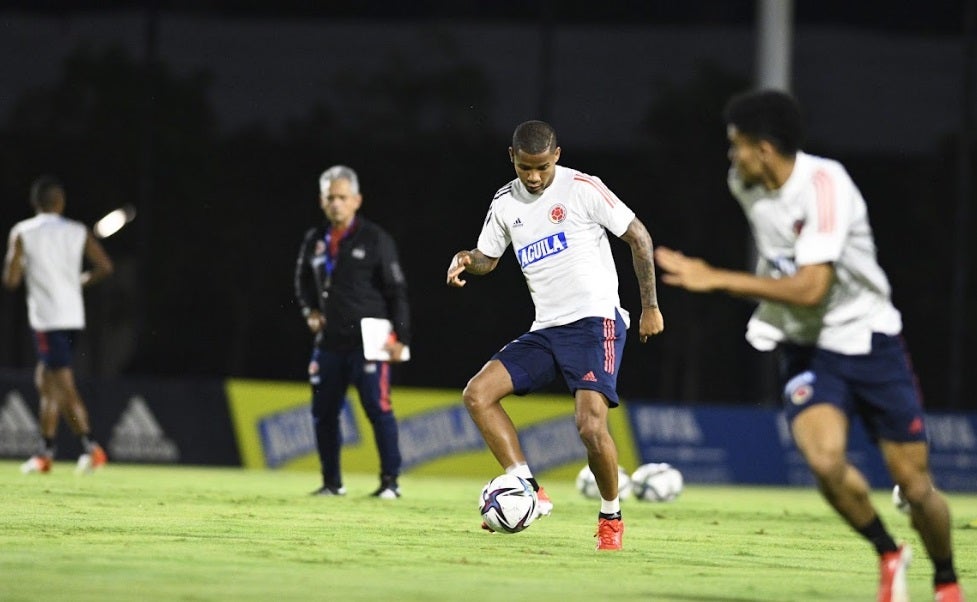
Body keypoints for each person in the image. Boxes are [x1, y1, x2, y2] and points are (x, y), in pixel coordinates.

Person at [654, 89, 963, 602]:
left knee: (914, 484)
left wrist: (717, 279)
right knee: (823, 461)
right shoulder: (744, 184)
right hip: (808, 346)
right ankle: (889, 552)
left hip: (869, 339)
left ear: (765, 148)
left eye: (737, 145)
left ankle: (947, 579)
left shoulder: (825, 185)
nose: (732, 158)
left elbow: (811, 287)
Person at [446, 120, 665, 551]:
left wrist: (651, 307)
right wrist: (465, 259)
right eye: (525, 167)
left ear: (557, 156)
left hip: (594, 321)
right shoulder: (505, 202)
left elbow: (639, 237)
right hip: (546, 328)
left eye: (542, 167)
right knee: (477, 394)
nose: (533, 176)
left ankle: (610, 516)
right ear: (512, 158)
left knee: (588, 424)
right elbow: (489, 259)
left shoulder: (583, 188)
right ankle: (528, 488)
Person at [294, 164, 411, 499]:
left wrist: (401, 338)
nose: (336, 203)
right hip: (329, 342)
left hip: (370, 339)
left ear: (357, 200)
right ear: (321, 200)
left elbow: (396, 291)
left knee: (377, 407)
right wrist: (308, 311)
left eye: (342, 197)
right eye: (330, 197)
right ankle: (332, 484)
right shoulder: (315, 240)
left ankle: (391, 483)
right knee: (323, 413)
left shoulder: (376, 239)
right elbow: (301, 281)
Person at [3, 175, 114, 474]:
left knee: (63, 385)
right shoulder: (78, 231)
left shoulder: (23, 231)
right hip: (73, 318)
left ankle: (92, 447)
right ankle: (45, 452)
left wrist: (22, 265)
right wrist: (81, 281)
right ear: (60, 202)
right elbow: (104, 267)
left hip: (48, 320)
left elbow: (11, 281)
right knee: (46, 382)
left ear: (35, 203)